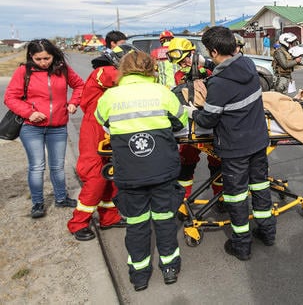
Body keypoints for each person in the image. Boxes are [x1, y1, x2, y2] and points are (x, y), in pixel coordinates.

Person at [95, 50, 187, 291]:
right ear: (151, 68)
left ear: (123, 69)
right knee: (165, 220)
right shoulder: (162, 92)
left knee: (136, 224)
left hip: (129, 172)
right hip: (162, 170)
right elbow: (181, 122)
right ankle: (169, 268)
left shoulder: (109, 97)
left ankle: (139, 275)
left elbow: (103, 122)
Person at [190, 26, 276, 261]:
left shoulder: (218, 85)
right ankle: (268, 233)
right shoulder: (247, 65)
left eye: (210, 52)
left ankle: (241, 245)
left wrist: (193, 113)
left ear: (215, 50)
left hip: (235, 148)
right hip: (258, 141)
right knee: (260, 187)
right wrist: (211, 70)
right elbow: (231, 82)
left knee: (236, 196)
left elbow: (208, 119)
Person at [4, 39, 84, 218]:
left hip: (58, 127)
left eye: (46, 58)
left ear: (53, 55)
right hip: (31, 127)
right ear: (31, 56)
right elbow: (10, 98)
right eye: (38, 59)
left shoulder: (62, 69)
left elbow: (80, 86)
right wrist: (29, 112)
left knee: (57, 166)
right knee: (37, 166)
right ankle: (37, 203)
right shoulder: (23, 71)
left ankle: (61, 198)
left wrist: (73, 103)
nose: (42, 62)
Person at [67, 34, 130, 241]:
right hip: (95, 130)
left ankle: (109, 217)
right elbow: (121, 81)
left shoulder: (110, 71)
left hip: (108, 129)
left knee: (110, 175)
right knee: (95, 177)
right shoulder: (104, 71)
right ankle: (78, 223)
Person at [166, 37, 222, 200]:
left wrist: (206, 69)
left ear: (192, 53)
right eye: (179, 63)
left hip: (211, 123)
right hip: (188, 127)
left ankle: (221, 198)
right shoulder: (178, 75)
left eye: (184, 61)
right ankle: (184, 201)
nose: (182, 65)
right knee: (186, 164)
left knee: (217, 162)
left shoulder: (211, 70)